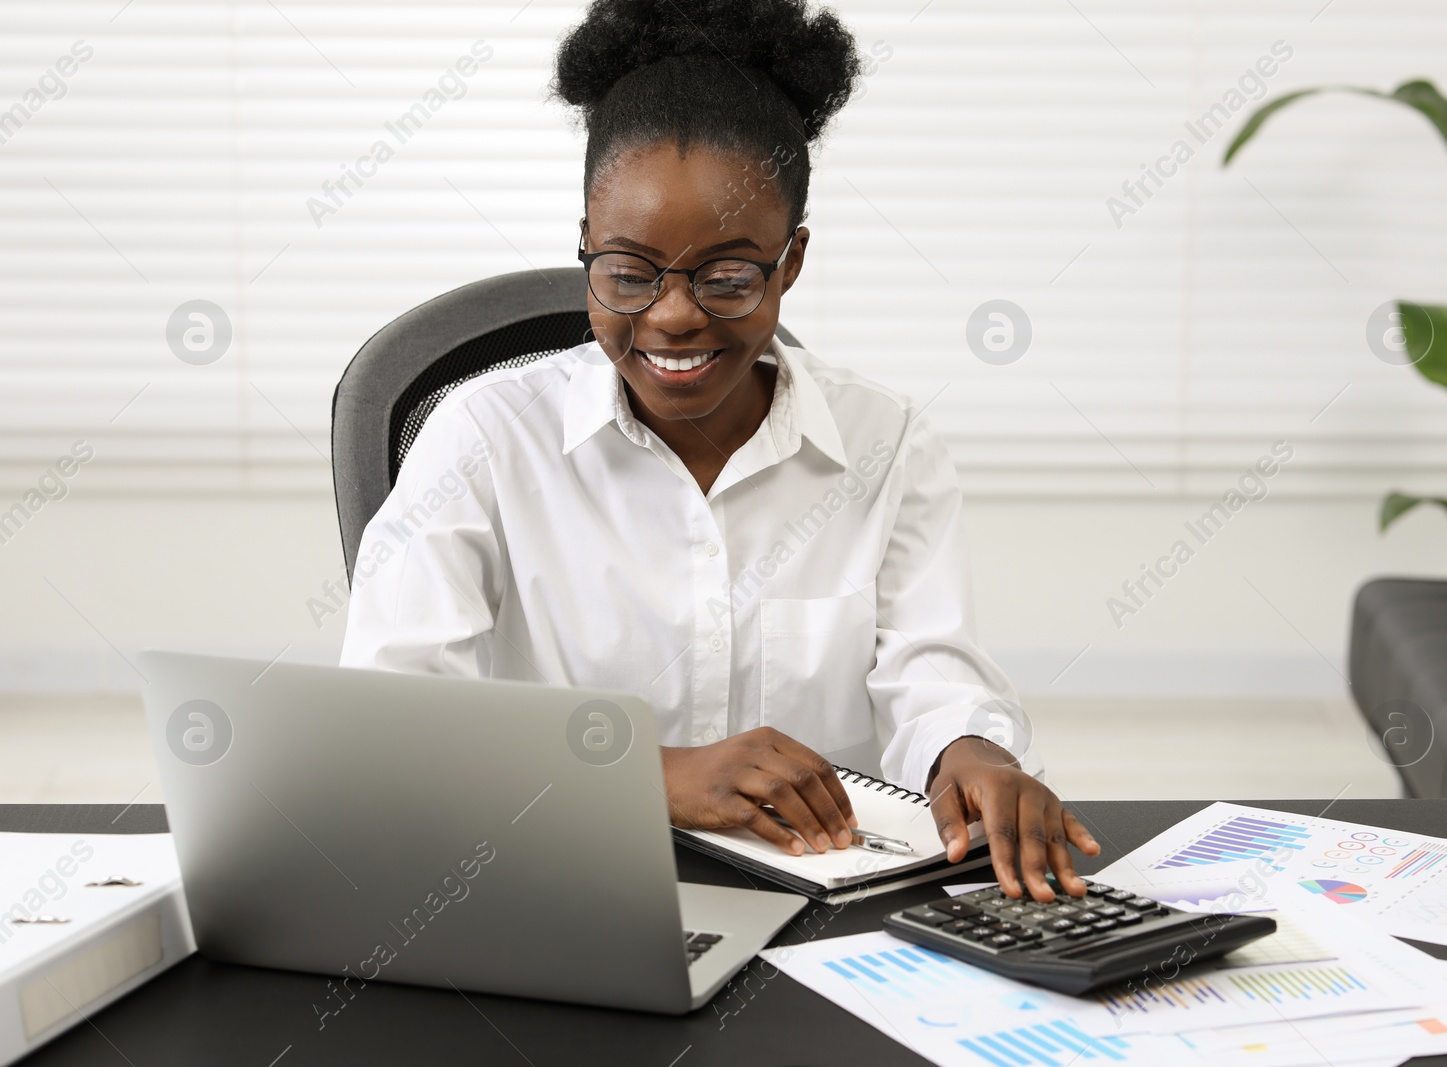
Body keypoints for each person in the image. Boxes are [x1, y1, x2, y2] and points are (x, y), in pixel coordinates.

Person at [339, 0, 1098, 902]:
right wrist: (652, 776)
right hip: (559, 893)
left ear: (792, 263)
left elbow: (929, 667)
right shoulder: (482, 439)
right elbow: (390, 731)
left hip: (824, 916)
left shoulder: (884, 444)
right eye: (627, 273)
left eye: (729, 277)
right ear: (585, 245)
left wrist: (968, 748)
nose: (672, 315)